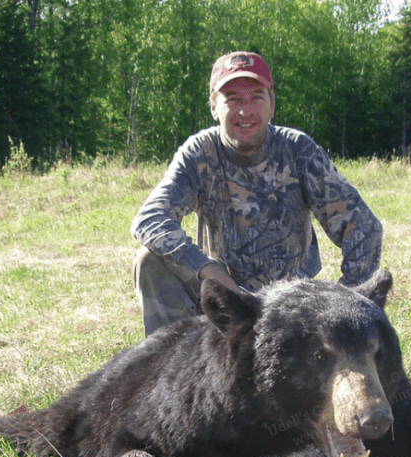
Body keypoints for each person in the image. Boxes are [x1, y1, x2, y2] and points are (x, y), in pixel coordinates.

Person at [131, 51, 384, 336]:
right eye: (233, 99)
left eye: (256, 98)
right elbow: (149, 219)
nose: (245, 111)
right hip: (222, 305)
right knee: (149, 260)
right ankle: (171, 366)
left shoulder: (298, 150)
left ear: (272, 106)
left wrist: (346, 306)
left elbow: (363, 227)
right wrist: (209, 270)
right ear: (214, 107)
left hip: (290, 309)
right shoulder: (200, 153)